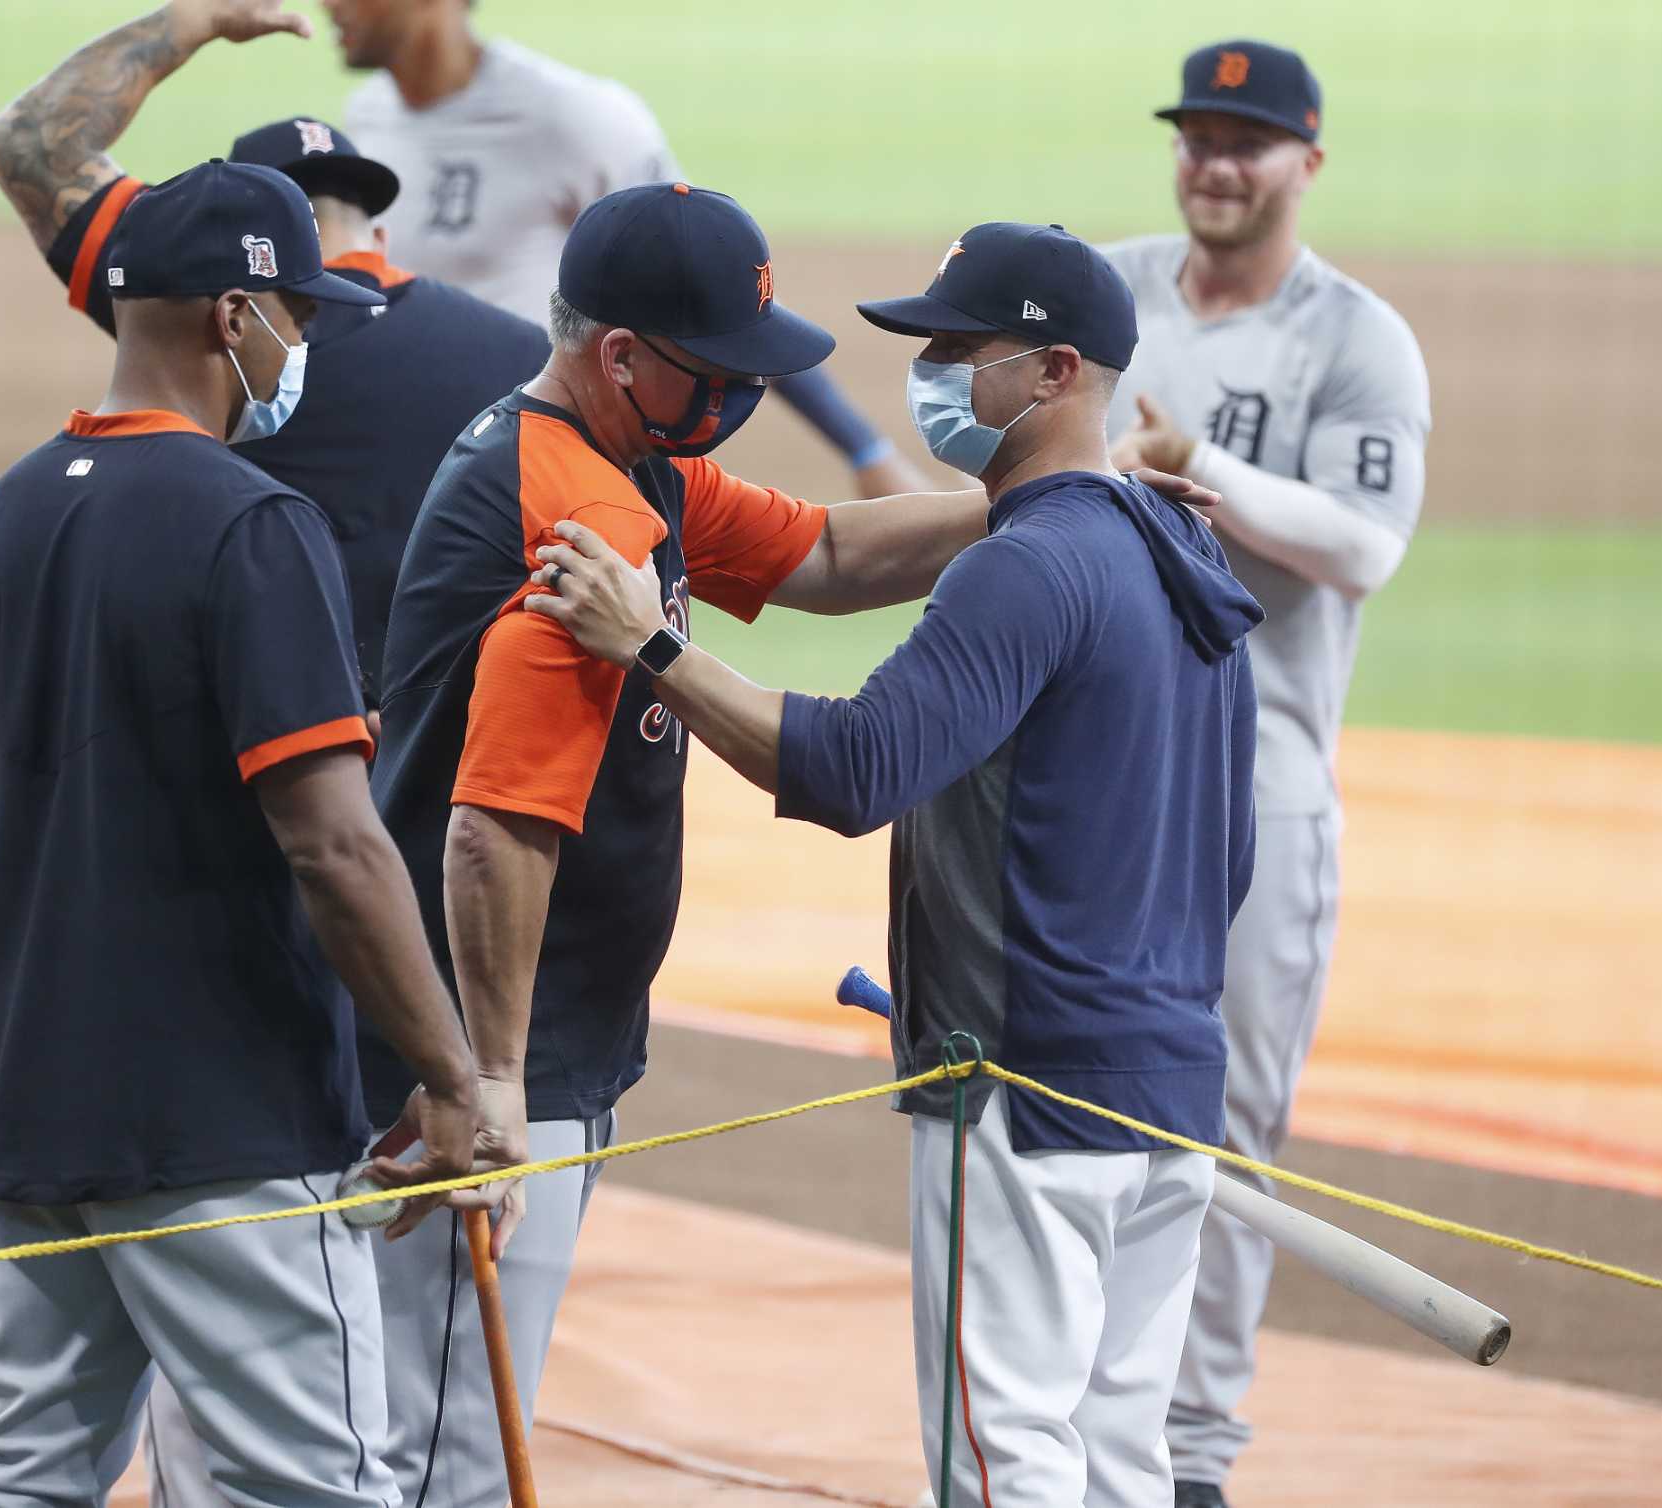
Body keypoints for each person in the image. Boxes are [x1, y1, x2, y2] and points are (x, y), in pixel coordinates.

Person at [528, 221, 1264, 1508]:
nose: (928, 373)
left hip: (1026, 1090)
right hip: (1169, 1080)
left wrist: (650, 646)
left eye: (956, 348)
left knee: (1004, 1461)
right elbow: (1229, 855)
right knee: (1119, 1462)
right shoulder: (1182, 552)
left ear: (1051, 372)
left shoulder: (1022, 566)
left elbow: (853, 767)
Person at [0, 160, 482, 1507]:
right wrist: (449, 1076)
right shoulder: (253, 524)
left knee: (28, 1478)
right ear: (237, 315)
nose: (309, 349)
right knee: (319, 1483)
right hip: (220, 1119)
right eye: (302, 315)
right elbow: (336, 848)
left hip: (28, 1112)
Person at [1103, 41, 1433, 1506]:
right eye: (1197, 135)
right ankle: (1069, 1422)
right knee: (1070, 1109)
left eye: (1248, 140)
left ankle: (1188, 1455)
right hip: (1094, 784)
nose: (1214, 163)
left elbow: (1367, 548)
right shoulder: (1107, 295)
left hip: (1259, 790)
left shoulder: (1356, 339)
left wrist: (1201, 475)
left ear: (1307, 160)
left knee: (1226, 1133)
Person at [0, 0, 553, 703]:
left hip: (245, 756)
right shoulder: (522, 355)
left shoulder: (195, 308)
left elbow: (30, 141)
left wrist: (196, 19)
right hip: (447, 770)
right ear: (377, 240)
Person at [323, 0, 929, 498]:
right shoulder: (369, 115)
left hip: (542, 462)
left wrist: (864, 450)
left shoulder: (572, 115)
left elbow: (713, 281)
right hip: (413, 455)